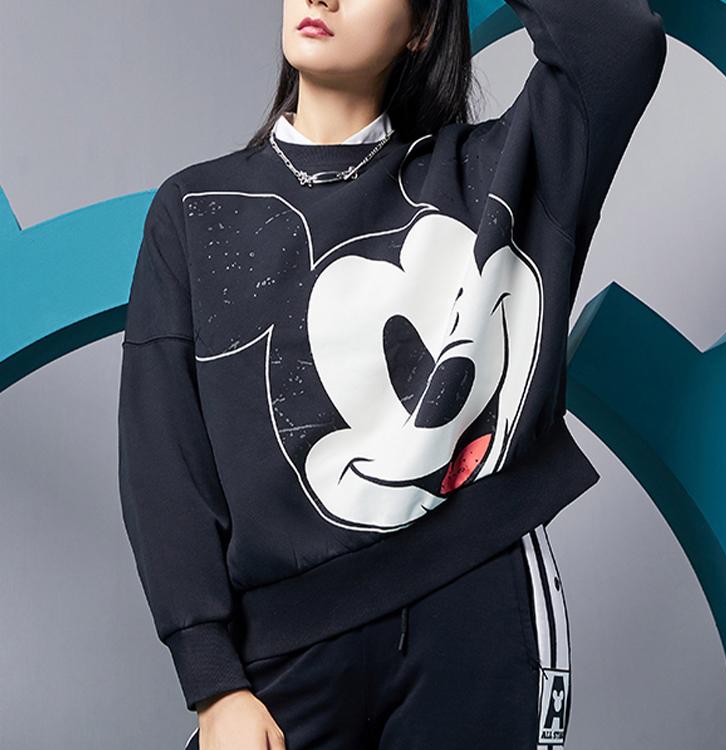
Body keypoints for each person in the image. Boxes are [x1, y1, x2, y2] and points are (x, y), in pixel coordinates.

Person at [117, 0, 667, 748]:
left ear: (420, 27)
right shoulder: (196, 209)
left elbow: (616, 38)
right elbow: (163, 461)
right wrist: (213, 683)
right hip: (283, 641)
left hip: (475, 607)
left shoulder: (490, 172)